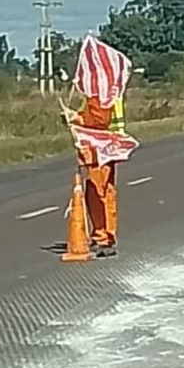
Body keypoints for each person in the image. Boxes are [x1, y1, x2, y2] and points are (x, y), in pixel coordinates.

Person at [71, 96, 121, 257]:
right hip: (104, 149)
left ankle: (103, 237)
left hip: (100, 150)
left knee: (99, 194)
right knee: (103, 192)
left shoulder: (99, 93)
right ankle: (104, 235)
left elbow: (99, 120)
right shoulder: (104, 91)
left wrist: (77, 120)